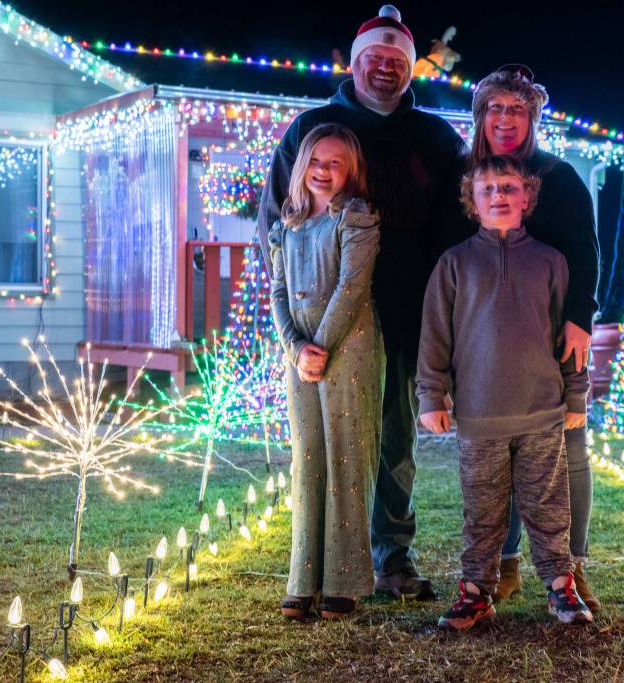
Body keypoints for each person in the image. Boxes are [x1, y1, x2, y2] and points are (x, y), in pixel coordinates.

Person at [258, 5, 466, 599]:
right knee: (325, 443)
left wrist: (449, 307)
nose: (383, 69)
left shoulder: (435, 138)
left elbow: (455, 229)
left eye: (395, 61)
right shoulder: (312, 128)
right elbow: (278, 217)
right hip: (323, 318)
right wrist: (290, 316)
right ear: (356, 64)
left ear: (409, 70)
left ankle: (391, 557)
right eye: (373, 58)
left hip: (405, 310)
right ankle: (323, 565)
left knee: (395, 439)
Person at [417, 155, 593, 630]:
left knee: (548, 507)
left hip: (542, 414)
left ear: (527, 197)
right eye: (488, 189)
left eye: (509, 187)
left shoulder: (551, 262)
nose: (499, 196)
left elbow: (569, 340)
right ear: (471, 202)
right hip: (479, 418)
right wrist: (431, 396)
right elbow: (434, 337)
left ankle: (560, 586)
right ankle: (476, 592)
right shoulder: (453, 265)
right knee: (484, 512)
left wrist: (576, 395)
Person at [468, 65, 601, 610]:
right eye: (495, 108)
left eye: (517, 109)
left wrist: (580, 318)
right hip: (487, 341)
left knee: (566, 450)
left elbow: (587, 252)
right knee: (494, 458)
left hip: (553, 336)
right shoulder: (467, 175)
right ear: (481, 116)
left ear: (532, 118)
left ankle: (570, 567)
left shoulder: (560, 176)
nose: (505, 118)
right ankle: (504, 564)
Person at [268, 124, 383, 620]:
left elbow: (350, 288)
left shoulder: (355, 220)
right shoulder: (287, 225)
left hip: (348, 349)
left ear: (351, 171)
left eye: (335, 163)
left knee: (346, 457)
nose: (323, 171)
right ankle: (303, 576)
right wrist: (296, 348)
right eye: (316, 160)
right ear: (301, 167)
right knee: (308, 457)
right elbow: (276, 292)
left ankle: (345, 578)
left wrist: (321, 346)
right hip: (300, 356)